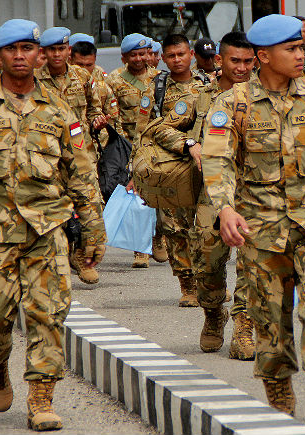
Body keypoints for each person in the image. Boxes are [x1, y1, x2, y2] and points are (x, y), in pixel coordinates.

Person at [0, 19, 105, 432]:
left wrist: (94, 227)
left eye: (28, 48)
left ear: (39, 53)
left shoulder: (59, 109)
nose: (19, 56)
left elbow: (81, 170)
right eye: (10, 49)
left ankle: (42, 398)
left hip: (47, 228)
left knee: (48, 313)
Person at [201, 14, 305, 431]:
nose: (300, 54)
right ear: (263, 55)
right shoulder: (232, 103)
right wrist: (224, 208)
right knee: (270, 319)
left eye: (301, 47)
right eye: (291, 49)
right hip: (260, 227)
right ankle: (278, 395)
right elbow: (217, 160)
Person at [145, 31, 256, 358]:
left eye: (249, 61)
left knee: (253, 261)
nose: (242, 68)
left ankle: (244, 323)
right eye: (235, 60)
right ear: (219, 60)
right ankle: (212, 312)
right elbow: (157, 129)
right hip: (213, 191)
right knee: (207, 261)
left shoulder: (262, 96)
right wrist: (188, 144)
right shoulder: (199, 96)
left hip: (256, 192)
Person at [135, 33, 210, 307]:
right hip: (167, 167)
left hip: (203, 166)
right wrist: (137, 171)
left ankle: (208, 282)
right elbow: (143, 131)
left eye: (182, 54)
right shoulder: (155, 87)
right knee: (175, 228)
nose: (177, 60)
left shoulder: (208, 84)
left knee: (206, 228)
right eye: (171, 56)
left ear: (191, 54)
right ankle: (188, 285)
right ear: (163, 58)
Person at [35, 26, 108, 285]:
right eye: (52, 50)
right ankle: (59, 257)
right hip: (47, 155)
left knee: (91, 206)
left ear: (69, 50)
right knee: (55, 208)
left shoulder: (82, 76)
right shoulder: (33, 80)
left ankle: (84, 257)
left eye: (61, 49)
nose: (57, 55)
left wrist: (97, 122)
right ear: (43, 52)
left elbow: (93, 108)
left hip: (80, 154)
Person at [105, 33, 164, 268]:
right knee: (136, 192)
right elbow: (112, 114)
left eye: (143, 53)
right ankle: (140, 248)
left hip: (157, 142)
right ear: (124, 57)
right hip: (129, 143)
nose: (139, 58)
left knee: (159, 190)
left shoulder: (160, 78)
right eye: (134, 54)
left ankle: (158, 236)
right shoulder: (115, 81)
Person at [69, 34, 124, 145]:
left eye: (89, 65)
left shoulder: (102, 86)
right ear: (70, 60)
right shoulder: (62, 83)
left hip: (95, 143)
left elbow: (115, 121)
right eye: (79, 65)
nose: (83, 70)